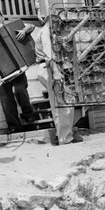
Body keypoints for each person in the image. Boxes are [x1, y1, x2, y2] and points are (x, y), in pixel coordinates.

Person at [35, 17, 82, 145]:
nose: (57, 24)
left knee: (68, 102)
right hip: (49, 68)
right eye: (55, 21)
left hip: (54, 68)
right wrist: (55, 71)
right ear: (49, 20)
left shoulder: (50, 32)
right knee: (60, 105)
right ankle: (64, 139)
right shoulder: (45, 32)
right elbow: (48, 55)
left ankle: (67, 134)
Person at [0, 9, 36, 132]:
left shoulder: (12, 28)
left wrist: (24, 31)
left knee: (20, 90)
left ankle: (29, 115)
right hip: (3, 73)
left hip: (19, 69)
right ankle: (14, 126)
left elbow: (31, 26)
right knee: (6, 99)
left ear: (3, 17)